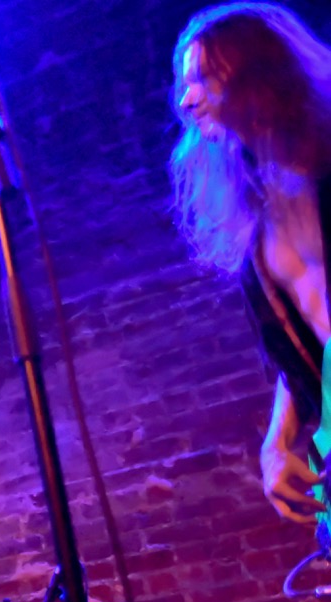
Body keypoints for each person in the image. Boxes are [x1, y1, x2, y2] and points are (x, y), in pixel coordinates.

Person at [171, 3, 331, 532]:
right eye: (184, 84)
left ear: (260, 75)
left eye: (202, 79)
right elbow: (308, 350)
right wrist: (277, 442)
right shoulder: (259, 230)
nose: (186, 99)